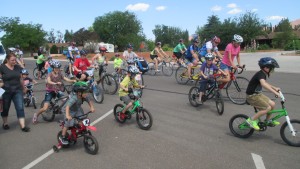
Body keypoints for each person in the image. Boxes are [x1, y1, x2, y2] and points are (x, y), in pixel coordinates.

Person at [245, 57, 281, 130]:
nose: (272, 70)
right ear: (266, 68)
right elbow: (263, 84)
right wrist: (275, 92)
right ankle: (251, 120)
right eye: (272, 68)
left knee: (272, 104)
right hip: (252, 96)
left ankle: (267, 121)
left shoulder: (263, 74)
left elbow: (265, 83)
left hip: (258, 94)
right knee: (267, 108)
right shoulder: (260, 74)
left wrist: (275, 88)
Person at [0, 53, 30, 132]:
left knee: (20, 107)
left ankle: (23, 126)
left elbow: (21, 78)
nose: (14, 61)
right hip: (6, 91)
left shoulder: (17, 67)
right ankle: (5, 123)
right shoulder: (2, 67)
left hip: (17, 90)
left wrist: (23, 88)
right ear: (7, 60)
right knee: (5, 108)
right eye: (12, 60)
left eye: (15, 60)